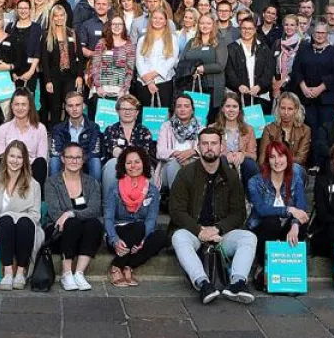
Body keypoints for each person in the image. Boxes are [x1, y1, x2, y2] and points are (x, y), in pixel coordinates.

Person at [169, 127, 256, 304]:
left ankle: (237, 283)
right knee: (178, 237)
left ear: (221, 146)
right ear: (199, 146)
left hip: (220, 234)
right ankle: (203, 283)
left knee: (248, 237)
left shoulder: (230, 176)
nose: (209, 147)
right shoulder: (186, 173)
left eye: (214, 143)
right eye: (205, 143)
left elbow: (239, 212)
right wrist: (199, 230)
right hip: (194, 232)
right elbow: (176, 210)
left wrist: (218, 228)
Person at [0, 140, 44, 290]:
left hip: (25, 229)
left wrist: (17, 216)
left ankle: (20, 271)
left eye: (19, 157)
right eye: (12, 156)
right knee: (6, 220)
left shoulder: (33, 185)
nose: (15, 161)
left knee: (23, 222)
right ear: (6, 157)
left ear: (25, 160)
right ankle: (8, 272)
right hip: (2, 228)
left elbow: (35, 215)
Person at [246, 140, 309, 288]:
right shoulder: (255, 182)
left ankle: (291, 270)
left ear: (288, 158)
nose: (277, 161)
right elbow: (261, 209)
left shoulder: (296, 179)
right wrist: (288, 209)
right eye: (272, 157)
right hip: (263, 230)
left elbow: (301, 207)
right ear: (267, 160)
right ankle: (262, 265)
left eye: (281, 156)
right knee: (271, 221)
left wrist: (295, 225)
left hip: (286, 231)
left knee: (301, 223)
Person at [103, 145, 166, 287]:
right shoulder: (114, 187)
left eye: (137, 162)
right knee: (139, 226)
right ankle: (116, 267)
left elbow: (151, 219)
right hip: (118, 234)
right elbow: (108, 218)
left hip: (140, 235)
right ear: (123, 165)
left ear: (143, 163)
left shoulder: (152, 190)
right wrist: (114, 240)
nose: (133, 166)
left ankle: (127, 266)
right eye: (128, 162)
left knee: (161, 236)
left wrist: (143, 240)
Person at [45, 143, 103, 291]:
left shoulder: (91, 182)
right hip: (60, 233)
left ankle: (79, 273)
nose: (74, 161)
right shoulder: (52, 182)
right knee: (72, 223)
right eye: (70, 157)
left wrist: (71, 213)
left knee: (94, 224)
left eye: (78, 157)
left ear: (83, 160)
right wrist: (70, 217)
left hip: (85, 236)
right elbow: (54, 213)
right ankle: (66, 273)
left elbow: (95, 209)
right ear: (63, 159)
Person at [290, 22, 334, 159]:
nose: (319, 35)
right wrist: (304, 88)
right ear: (313, 34)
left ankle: (324, 163)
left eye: (322, 33)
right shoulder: (304, 50)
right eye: (317, 33)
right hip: (306, 97)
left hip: (327, 99)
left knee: (325, 131)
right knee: (310, 130)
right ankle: (311, 162)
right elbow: (296, 70)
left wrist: (320, 88)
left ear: (327, 34)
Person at [39, 5, 84, 126]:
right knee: (55, 108)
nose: (59, 18)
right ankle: (55, 134)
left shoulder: (72, 33)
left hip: (70, 76)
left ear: (65, 16)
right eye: (56, 16)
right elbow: (44, 61)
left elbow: (79, 56)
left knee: (70, 105)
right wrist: (47, 81)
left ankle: (68, 133)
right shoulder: (46, 35)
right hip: (54, 77)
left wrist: (80, 76)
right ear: (52, 18)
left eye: (61, 15)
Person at [0, 90, 49, 185]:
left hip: (31, 170)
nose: (20, 108)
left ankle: (36, 195)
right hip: (11, 168)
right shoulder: (3, 129)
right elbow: (0, 156)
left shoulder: (40, 128)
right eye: (17, 104)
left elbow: (42, 157)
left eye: (24, 104)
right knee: (1, 163)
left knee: (40, 163)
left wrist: (24, 164)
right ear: (12, 106)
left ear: (30, 107)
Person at [178, 12, 228, 116]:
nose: (205, 26)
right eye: (202, 23)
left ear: (213, 25)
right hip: (192, 85)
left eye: (208, 23)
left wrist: (202, 68)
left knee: (209, 117)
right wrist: (192, 70)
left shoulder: (219, 42)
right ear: (198, 24)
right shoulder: (191, 42)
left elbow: (220, 65)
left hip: (212, 86)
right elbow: (182, 62)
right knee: (192, 117)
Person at [225, 16, 275, 115]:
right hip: (239, 95)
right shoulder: (231, 48)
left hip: (260, 95)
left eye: (250, 28)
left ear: (255, 30)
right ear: (240, 29)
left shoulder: (263, 47)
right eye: (244, 28)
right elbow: (229, 70)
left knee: (259, 127)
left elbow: (269, 70)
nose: (246, 31)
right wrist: (238, 85)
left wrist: (260, 86)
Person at [48, 91, 103, 180]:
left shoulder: (94, 127)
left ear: (83, 106)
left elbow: (94, 152)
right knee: (54, 160)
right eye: (70, 106)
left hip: (85, 161)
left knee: (95, 160)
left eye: (77, 105)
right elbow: (56, 151)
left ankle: (95, 191)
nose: (74, 109)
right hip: (65, 161)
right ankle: (53, 190)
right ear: (66, 108)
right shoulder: (58, 128)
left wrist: (78, 160)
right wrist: (70, 160)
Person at [87, 15, 135, 109]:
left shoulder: (129, 45)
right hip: (101, 90)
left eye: (119, 24)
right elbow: (95, 65)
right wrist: (98, 86)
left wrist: (124, 89)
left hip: (120, 91)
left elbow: (130, 70)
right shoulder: (102, 42)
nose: (117, 26)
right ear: (110, 26)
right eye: (114, 24)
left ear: (123, 27)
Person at [157, 93, 204, 189]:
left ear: (192, 110)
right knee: (174, 163)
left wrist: (193, 151)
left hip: (194, 165)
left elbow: (206, 149)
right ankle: (177, 202)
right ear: (175, 110)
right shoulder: (166, 126)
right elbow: (160, 152)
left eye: (186, 106)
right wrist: (177, 155)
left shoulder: (201, 129)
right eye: (179, 106)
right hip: (169, 166)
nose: (182, 109)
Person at [134, 8, 179, 109]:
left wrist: (154, 74)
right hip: (144, 82)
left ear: (165, 22)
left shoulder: (172, 38)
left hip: (163, 82)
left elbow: (172, 59)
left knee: (162, 115)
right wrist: (148, 80)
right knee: (145, 115)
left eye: (161, 18)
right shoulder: (142, 39)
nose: (157, 21)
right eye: (155, 18)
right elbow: (139, 61)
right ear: (151, 20)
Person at [215, 91, 260, 186]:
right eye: (228, 106)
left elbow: (254, 155)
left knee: (250, 164)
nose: (231, 110)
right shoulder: (213, 128)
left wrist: (242, 154)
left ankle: (250, 196)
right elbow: (210, 151)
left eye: (235, 106)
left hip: (242, 166)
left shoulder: (249, 129)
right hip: (221, 166)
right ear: (222, 109)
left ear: (239, 109)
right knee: (222, 161)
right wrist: (226, 156)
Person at [258, 92, 311, 169]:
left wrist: (281, 162)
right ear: (278, 109)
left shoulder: (305, 130)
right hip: (273, 168)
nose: (286, 112)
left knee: (295, 168)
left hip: (294, 167)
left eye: (290, 109)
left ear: (296, 110)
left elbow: (300, 159)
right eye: (283, 108)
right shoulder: (269, 129)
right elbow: (262, 158)